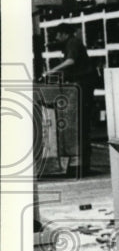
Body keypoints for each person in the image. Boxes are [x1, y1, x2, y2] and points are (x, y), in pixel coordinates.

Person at [43, 23, 99, 175]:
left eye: (57, 34)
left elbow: (71, 61)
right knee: (81, 124)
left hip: (83, 86)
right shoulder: (72, 43)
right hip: (84, 85)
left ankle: (81, 165)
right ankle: (82, 164)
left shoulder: (73, 43)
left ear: (64, 34)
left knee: (80, 123)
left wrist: (51, 71)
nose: (56, 38)